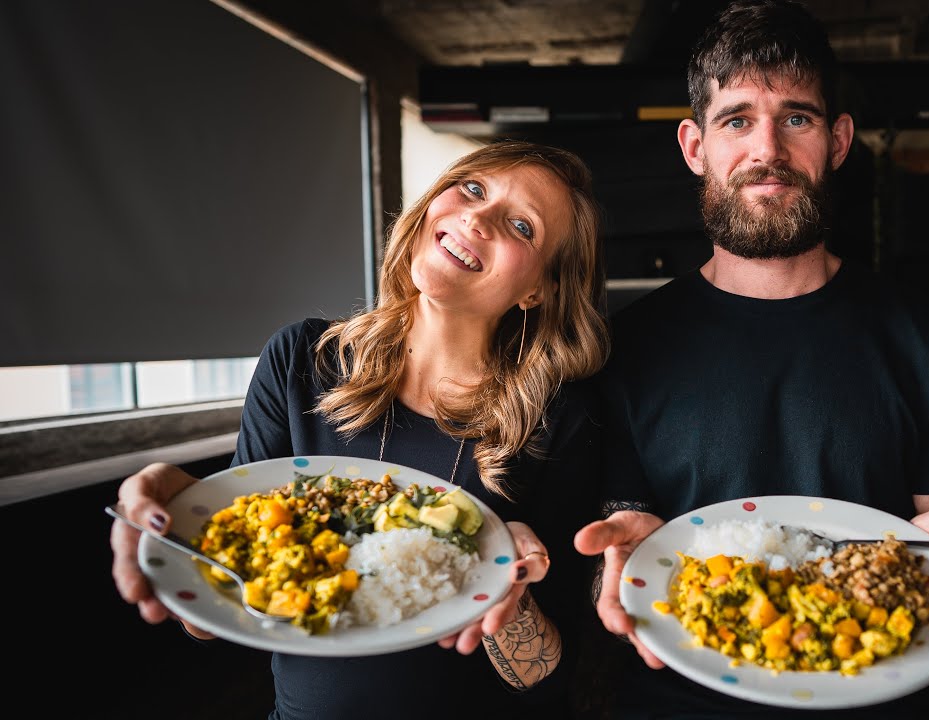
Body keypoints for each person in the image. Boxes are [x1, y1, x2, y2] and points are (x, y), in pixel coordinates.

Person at [572, 1, 929, 717]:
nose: (767, 150)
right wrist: (610, 576)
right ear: (695, 146)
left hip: (879, 692)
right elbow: (623, 540)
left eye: (797, 118)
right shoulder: (623, 348)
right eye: (737, 119)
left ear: (838, 140)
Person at [109, 139, 611, 718]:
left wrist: (510, 602)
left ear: (539, 290)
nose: (477, 215)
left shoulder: (560, 417)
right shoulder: (300, 360)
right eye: (472, 188)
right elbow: (215, 622)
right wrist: (183, 544)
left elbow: (543, 677)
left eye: (522, 225)